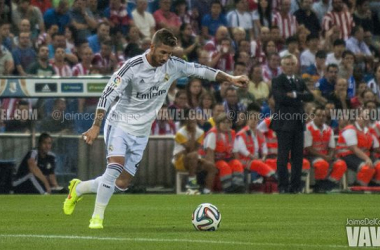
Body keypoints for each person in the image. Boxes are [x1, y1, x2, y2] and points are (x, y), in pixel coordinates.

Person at [63, 28, 248, 229]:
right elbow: (107, 95)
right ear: (152, 47)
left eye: (169, 53)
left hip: (142, 132)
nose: (166, 57)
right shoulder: (131, 68)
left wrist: (230, 78)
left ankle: (79, 188)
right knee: (114, 167)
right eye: (162, 52)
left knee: (122, 183)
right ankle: (96, 219)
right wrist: (95, 125)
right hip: (119, 124)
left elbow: (201, 70)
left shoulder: (172, 65)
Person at [270, 54, 314, 193]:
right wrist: (300, 99)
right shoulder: (277, 80)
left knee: (298, 157)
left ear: (296, 65)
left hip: (298, 122)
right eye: (287, 64)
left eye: (292, 64)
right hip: (283, 123)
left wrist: (295, 95)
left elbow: (310, 96)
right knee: (283, 156)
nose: (290, 66)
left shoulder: (299, 81)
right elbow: (280, 98)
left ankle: (295, 187)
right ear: (282, 66)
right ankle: (282, 186)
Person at [304, 106, 347, 192]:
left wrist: (330, 156)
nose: (321, 117)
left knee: (341, 164)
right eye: (318, 115)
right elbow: (308, 148)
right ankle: (319, 184)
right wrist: (325, 157)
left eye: (323, 116)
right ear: (313, 116)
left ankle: (326, 185)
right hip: (310, 155)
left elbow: (332, 147)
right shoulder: (307, 128)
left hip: (325, 156)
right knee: (322, 164)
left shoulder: (329, 129)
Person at [172, 110, 216, 194]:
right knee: (193, 155)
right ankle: (191, 185)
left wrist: (201, 160)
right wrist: (193, 134)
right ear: (186, 120)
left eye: (194, 119)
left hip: (194, 158)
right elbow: (190, 150)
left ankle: (207, 191)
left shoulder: (200, 132)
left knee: (211, 167)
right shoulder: (180, 133)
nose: (192, 121)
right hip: (180, 160)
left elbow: (196, 149)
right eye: (190, 119)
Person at [336, 108, 380, 186]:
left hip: (363, 154)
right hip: (347, 155)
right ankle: (358, 188)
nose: (366, 119)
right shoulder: (350, 129)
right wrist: (367, 158)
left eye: (368, 117)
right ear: (357, 117)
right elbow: (354, 148)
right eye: (363, 117)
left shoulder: (368, 130)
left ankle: (374, 187)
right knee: (367, 168)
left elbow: (376, 147)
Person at [203, 113, 245, 193]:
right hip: (215, 160)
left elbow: (235, 151)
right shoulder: (213, 133)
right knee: (224, 166)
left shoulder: (232, 133)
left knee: (237, 164)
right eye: (224, 122)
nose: (226, 125)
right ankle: (227, 188)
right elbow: (209, 152)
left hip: (227, 158)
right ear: (218, 124)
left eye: (228, 122)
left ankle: (238, 186)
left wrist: (239, 161)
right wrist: (212, 166)